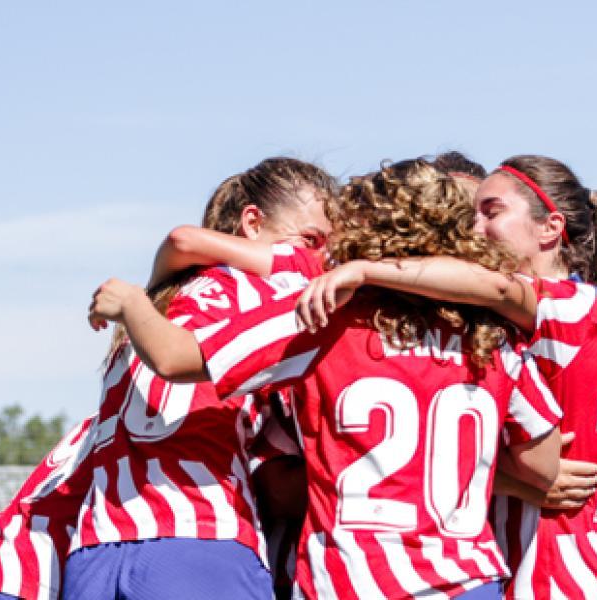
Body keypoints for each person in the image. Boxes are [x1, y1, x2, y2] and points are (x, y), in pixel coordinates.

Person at [93, 159, 566, 598]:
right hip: (470, 579)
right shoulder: (492, 334)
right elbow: (543, 465)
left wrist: (133, 303)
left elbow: (174, 358)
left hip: (356, 581)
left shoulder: (327, 319)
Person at [0, 157, 333, 600]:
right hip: (199, 539)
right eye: (311, 240)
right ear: (251, 223)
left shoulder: (157, 305)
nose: (321, 257)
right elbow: (278, 484)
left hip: (95, 554)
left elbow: (177, 243)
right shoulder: (283, 289)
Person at [295, 155, 597, 599]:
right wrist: (505, 480)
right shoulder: (493, 323)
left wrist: (364, 270)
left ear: (550, 228)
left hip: (564, 572)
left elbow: (494, 287)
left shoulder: (574, 306)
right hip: (508, 566)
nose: (473, 229)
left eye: (492, 212)